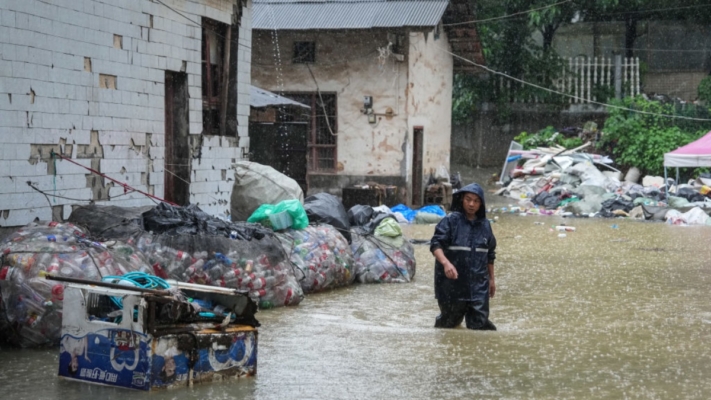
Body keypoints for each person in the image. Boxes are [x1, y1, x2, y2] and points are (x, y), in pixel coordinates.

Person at [430, 182, 497, 330]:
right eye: (468, 199)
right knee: (449, 325)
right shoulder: (450, 221)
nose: (471, 204)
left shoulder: (485, 225)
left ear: (481, 204)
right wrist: (446, 263)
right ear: (461, 200)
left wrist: (492, 280)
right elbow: (435, 245)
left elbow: (490, 254)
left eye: (476, 201)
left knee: (481, 327)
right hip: (452, 286)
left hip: (479, 286)